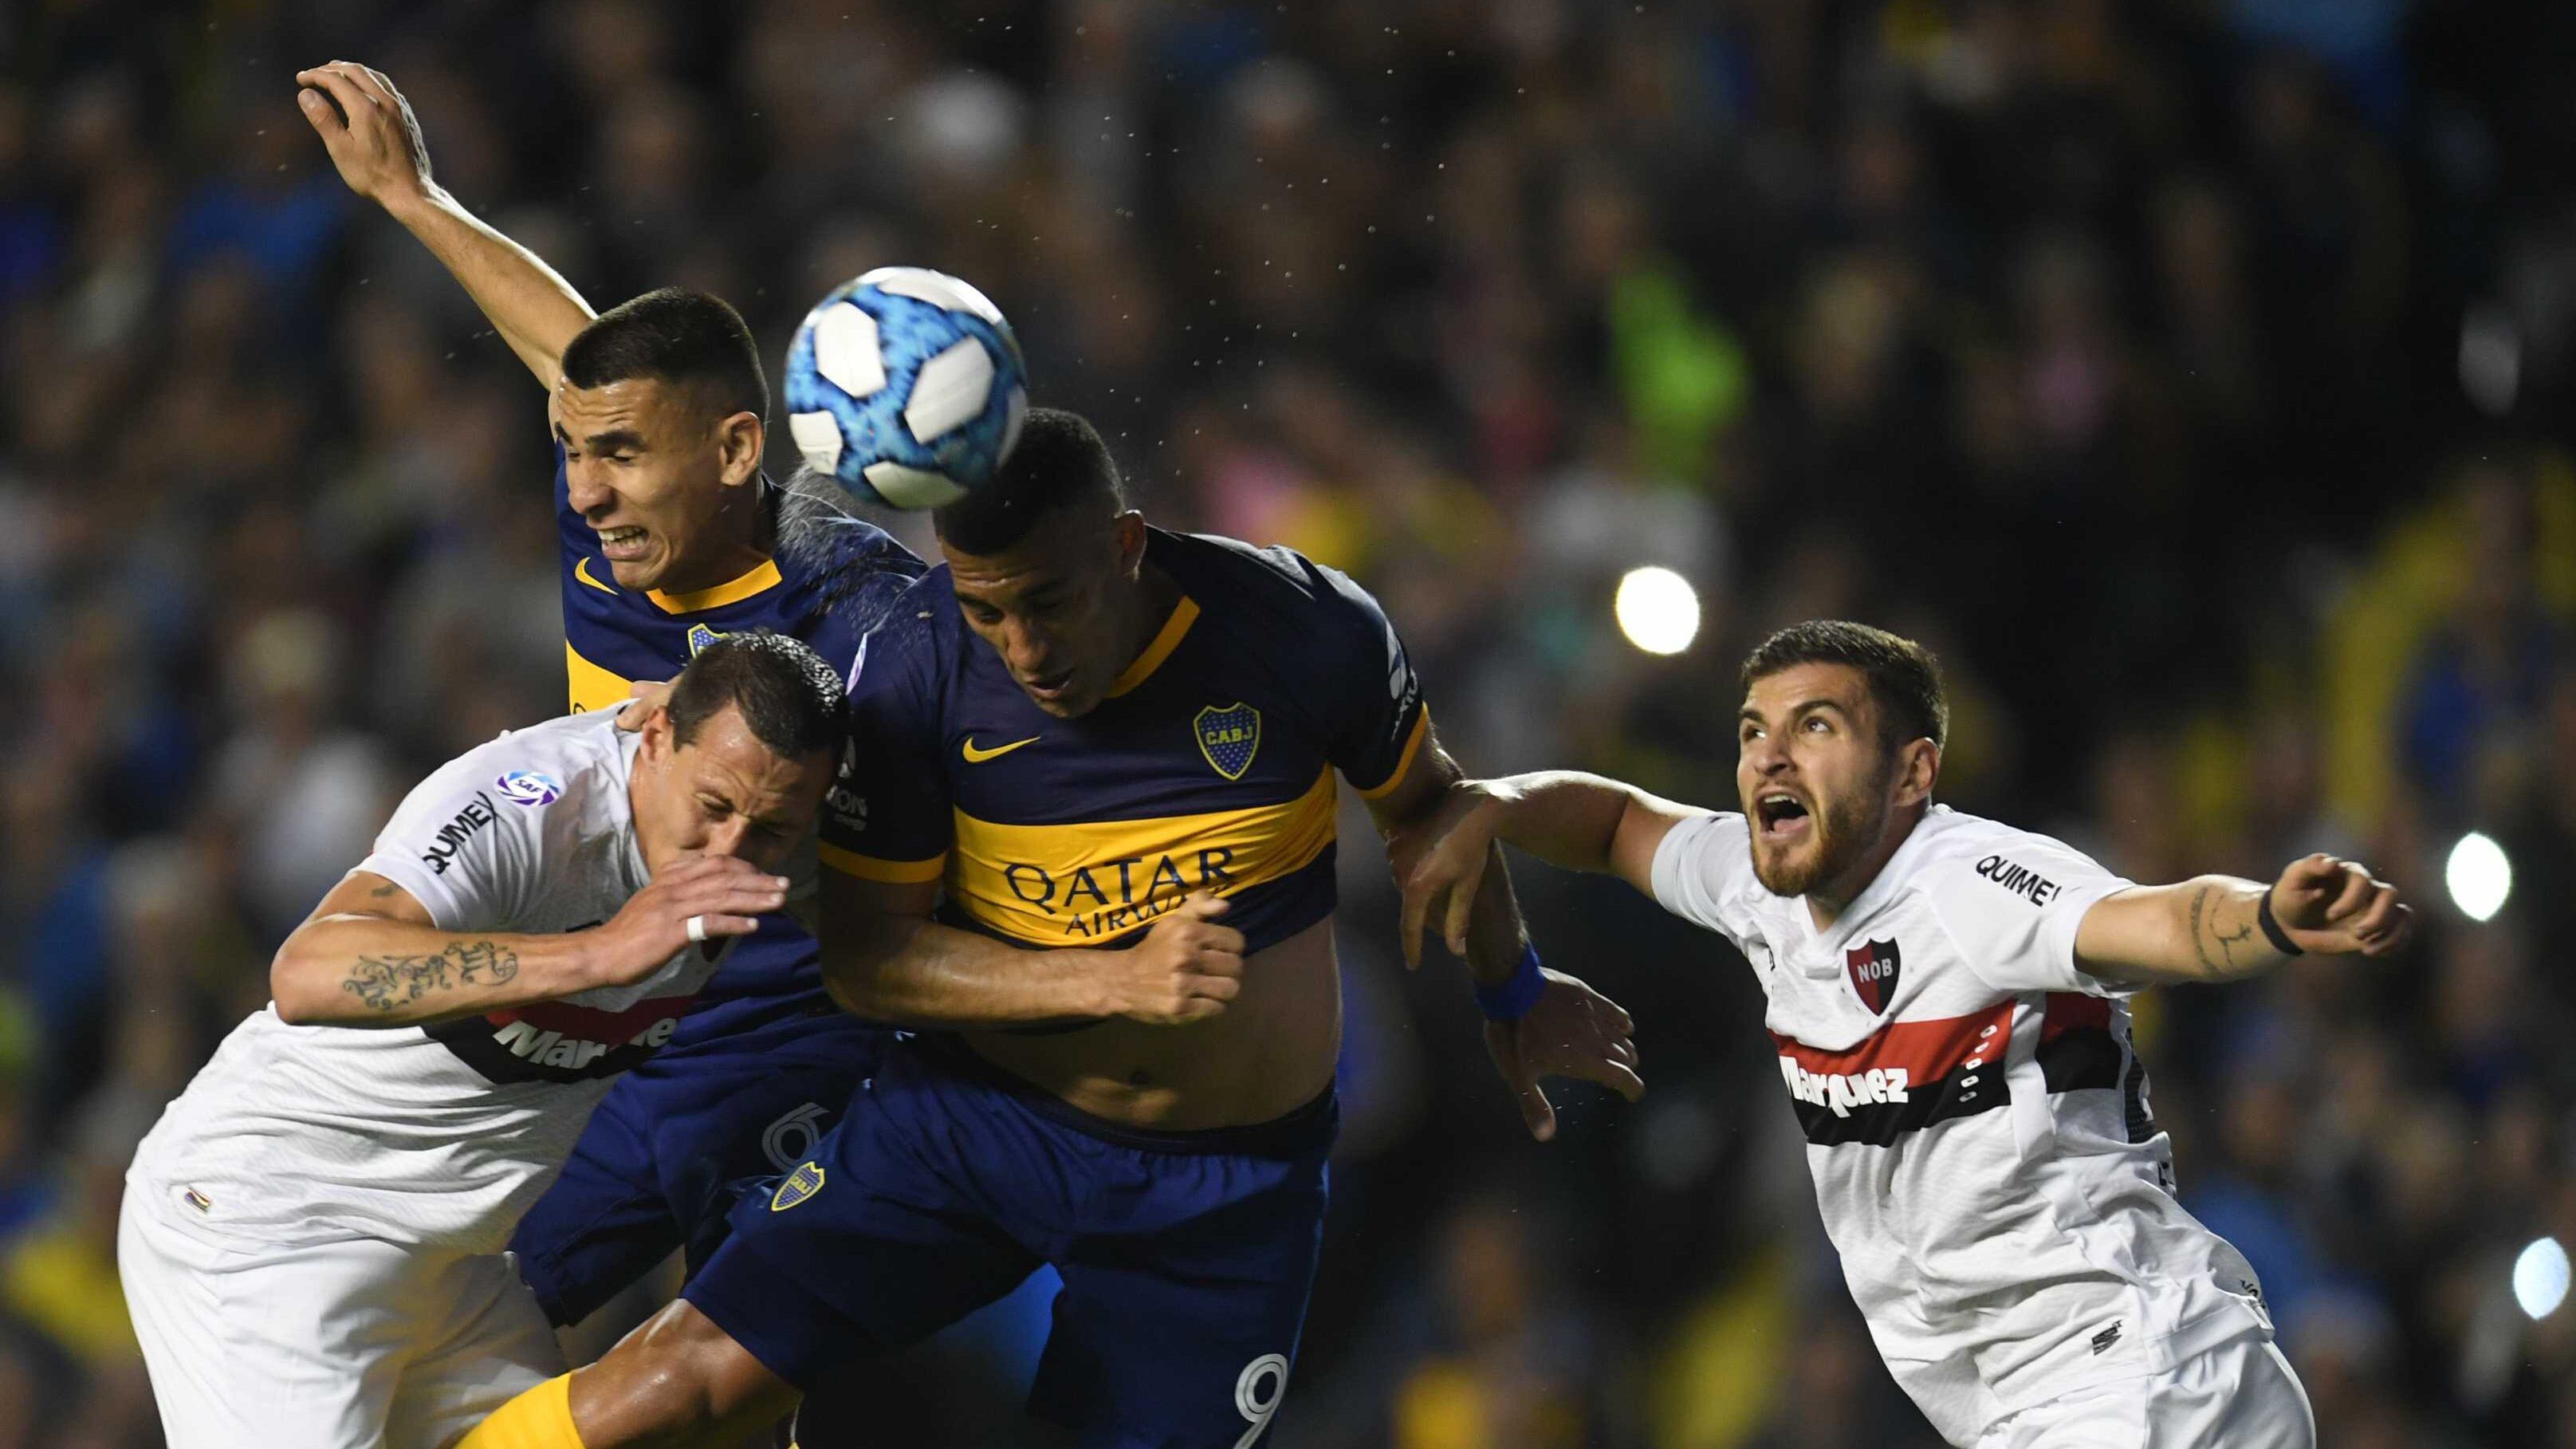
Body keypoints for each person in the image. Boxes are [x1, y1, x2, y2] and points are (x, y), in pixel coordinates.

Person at [458, 409, 1645, 1447]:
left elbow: (1436, 816)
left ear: (1123, 545)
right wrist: (1108, 978)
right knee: (680, 1382)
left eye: (1048, 602)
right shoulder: (915, 668)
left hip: (1222, 1191)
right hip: (968, 1126)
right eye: (987, 610)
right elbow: (868, 961)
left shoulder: (1298, 628)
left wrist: (1513, 989)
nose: (1022, 649)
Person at [1386, 620, 2414, 1448]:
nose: (1769, 753)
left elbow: (2156, 918)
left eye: (1816, 724)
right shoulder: (1761, 886)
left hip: (2141, 1379)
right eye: (1752, 729)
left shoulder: (1966, 879)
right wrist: (1499, 804)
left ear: (1914, 772)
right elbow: (1617, 822)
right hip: (2049, 1401)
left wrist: (2273, 915)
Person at [295, 61, 924, 1329]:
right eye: (573, 451)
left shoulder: (861, 613)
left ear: (735, 451)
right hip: (602, 1022)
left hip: (769, 1034)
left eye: (619, 456)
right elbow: (570, 353)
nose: (582, 491)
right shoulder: (621, 505)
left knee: (721, 1366)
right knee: (455, 1330)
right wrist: (413, 199)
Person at [118, 632, 850, 1447]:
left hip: (448, 1267)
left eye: (770, 828)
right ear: (653, 739)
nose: (730, 850)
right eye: (712, 807)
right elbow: (307, 971)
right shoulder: (524, 807)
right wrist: (597, 951)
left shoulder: (769, 820)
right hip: (276, 1224)